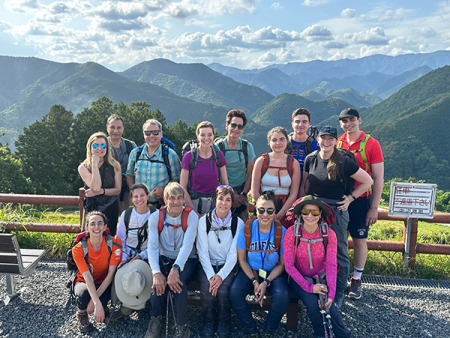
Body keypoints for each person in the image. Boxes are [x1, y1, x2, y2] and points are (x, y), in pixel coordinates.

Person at [300, 126, 373, 308]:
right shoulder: (311, 158)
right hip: (314, 211)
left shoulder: (343, 161)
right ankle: (316, 287)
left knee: (338, 251)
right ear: (317, 140)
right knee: (312, 249)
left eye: (330, 139)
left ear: (335, 141)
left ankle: (339, 290)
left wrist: (350, 198)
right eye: (323, 138)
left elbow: (368, 181)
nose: (326, 142)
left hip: (337, 211)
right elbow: (305, 184)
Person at [284, 195, 351, 338]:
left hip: (322, 278)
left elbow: (332, 266)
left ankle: (344, 335)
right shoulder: (292, 233)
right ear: (300, 214)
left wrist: (331, 294)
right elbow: (289, 266)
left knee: (329, 307)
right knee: (313, 305)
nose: (309, 216)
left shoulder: (329, 234)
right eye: (305, 212)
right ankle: (321, 334)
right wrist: (309, 287)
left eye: (314, 212)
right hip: (299, 279)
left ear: (320, 214)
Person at [337, 108, 384, 300]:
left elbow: (378, 178)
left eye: (352, 120)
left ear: (359, 120)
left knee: (359, 239)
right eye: (344, 121)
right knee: (339, 239)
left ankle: (356, 278)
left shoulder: (371, 144)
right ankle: (339, 276)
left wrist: (374, 206)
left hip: (361, 198)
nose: (348, 124)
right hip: (340, 197)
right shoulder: (338, 142)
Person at [229, 191, 289, 336]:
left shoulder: (282, 231)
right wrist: (255, 281)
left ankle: (268, 330)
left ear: (275, 211)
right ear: (255, 209)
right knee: (234, 293)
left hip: (273, 272)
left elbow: (282, 264)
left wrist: (266, 282)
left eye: (270, 210)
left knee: (282, 296)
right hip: (251, 270)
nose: (265, 214)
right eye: (261, 210)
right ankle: (251, 329)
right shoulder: (247, 229)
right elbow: (242, 259)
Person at [145, 182, 199, 338]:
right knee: (158, 285)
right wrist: (156, 272)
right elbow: (153, 246)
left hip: (187, 258)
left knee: (178, 285)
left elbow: (188, 245)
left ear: (183, 200)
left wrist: (176, 269)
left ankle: (182, 326)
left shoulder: (191, 216)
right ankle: (156, 320)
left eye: (179, 198)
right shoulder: (156, 216)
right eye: (172, 198)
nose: (176, 202)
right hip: (164, 257)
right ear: (165, 200)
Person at [196, 185, 244, 338]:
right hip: (207, 265)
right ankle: (208, 320)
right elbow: (202, 252)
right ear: (214, 200)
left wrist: (220, 276)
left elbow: (233, 254)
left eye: (228, 200)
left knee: (223, 290)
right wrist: (211, 276)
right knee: (207, 289)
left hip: (227, 267)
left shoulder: (238, 223)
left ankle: (224, 320)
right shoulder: (204, 221)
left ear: (232, 203)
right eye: (221, 199)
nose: (224, 203)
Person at [111, 183, 156, 323]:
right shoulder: (127, 214)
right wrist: (124, 258)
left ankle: (145, 305)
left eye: (142, 195)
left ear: (148, 196)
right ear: (131, 199)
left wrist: (142, 256)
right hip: (128, 253)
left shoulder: (155, 214)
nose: (139, 199)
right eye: (135, 196)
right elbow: (120, 240)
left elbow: (158, 243)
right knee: (121, 272)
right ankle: (125, 304)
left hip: (148, 254)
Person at [72, 211, 122, 333]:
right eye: (92, 224)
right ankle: (82, 314)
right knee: (83, 294)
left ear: (105, 227)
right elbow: (87, 277)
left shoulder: (115, 243)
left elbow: (110, 275)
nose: (96, 227)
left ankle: (103, 306)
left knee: (109, 296)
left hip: (104, 281)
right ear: (87, 228)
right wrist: (94, 302)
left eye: (100, 223)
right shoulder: (78, 249)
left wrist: (97, 302)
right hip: (84, 281)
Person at [126, 119, 181, 208]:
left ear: (161, 133)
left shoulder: (170, 155)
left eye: (155, 132)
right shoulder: (135, 153)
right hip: (140, 205)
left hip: (162, 205)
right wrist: (135, 192)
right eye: (148, 133)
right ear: (144, 134)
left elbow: (176, 179)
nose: (151, 135)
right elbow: (129, 175)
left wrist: (164, 190)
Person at [251, 126, 300, 222]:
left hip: (285, 207)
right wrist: (264, 211)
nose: (278, 143)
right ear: (269, 143)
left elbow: (293, 194)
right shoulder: (261, 161)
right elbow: (254, 191)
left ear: (287, 141)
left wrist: (280, 214)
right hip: (263, 206)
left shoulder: (294, 163)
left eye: (282, 139)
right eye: (274, 140)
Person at [215, 109, 256, 221]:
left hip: (241, 193)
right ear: (226, 126)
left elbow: (250, 174)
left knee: (243, 228)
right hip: (221, 192)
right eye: (233, 125)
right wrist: (231, 195)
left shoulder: (247, 147)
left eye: (240, 126)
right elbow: (213, 175)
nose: (236, 129)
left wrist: (243, 194)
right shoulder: (217, 147)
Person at [181, 121, 228, 216]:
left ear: (213, 136)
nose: (206, 138)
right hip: (193, 204)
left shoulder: (218, 155)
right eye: (202, 135)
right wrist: (194, 213)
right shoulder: (189, 157)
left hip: (214, 205)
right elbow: (182, 188)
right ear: (197, 136)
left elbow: (225, 184)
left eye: (209, 135)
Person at [79, 132, 121, 235]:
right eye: (95, 145)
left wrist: (102, 191)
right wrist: (94, 164)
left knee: (109, 238)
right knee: (90, 238)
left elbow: (117, 190)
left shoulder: (115, 165)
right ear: (90, 147)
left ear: (107, 148)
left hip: (110, 206)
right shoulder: (83, 167)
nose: (100, 148)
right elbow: (95, 187)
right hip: (92, 208)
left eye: (103, 145)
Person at [106, 114, 137, 215]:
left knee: (126, 222)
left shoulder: (131, 146)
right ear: (107, 128)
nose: (115, 131)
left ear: (123, 129)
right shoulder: (100, 145)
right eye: (112, 127)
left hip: (126, 192)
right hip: (106, 192)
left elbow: (136, 169)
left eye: (119, 127)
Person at [286, 108, 320, 182]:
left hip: (307, 185)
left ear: (308, 124)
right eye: (297, 121)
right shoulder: (284, 143)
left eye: (304, 122)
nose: (300, 124)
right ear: (292, 124)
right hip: (286, 184)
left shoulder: (315, 145)